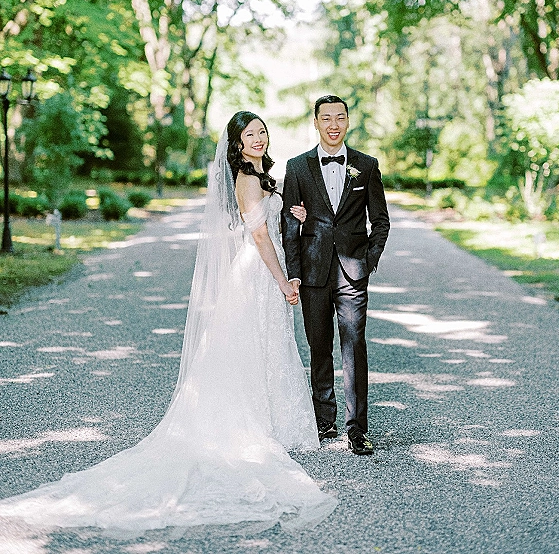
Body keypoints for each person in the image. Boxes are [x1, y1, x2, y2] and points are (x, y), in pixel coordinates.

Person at [0, 112, 337, 537]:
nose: (258, 138)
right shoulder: (248, 179)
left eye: (262, 132)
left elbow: (271, 220)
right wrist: (282, 278)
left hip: (256, 272)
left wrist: (297, 214)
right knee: (256, 345)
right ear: (236, 143)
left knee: (262, 345)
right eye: (249, 134)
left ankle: (271, 420)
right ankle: (255, 425)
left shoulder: (261, 176)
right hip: (257, 272)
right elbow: (258, 237)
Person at [282, 95, 390, 456]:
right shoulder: (297, 167)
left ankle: (357, 428)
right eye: (326, 118)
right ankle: (323, 421)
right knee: (318, 348)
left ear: (348, 122)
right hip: (312, 273)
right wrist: (293, 274)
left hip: (353, 274)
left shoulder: (367, 166)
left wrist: (369, 258)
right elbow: (288, 226)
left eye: (340, 117)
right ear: (315, 122)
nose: (333, 124)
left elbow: (381, 220)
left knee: (354, 347)